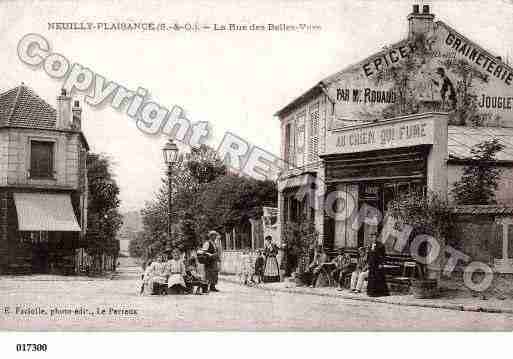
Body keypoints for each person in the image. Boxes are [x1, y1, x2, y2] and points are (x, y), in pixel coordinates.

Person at [366, 232, 390, 297]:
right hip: (372, 264)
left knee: (378, 278)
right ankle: (371, 292)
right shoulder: (370, 245)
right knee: (371, 278)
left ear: (377, 238)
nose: (374, 238)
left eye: (375, 237)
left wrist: (381, 263)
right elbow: (369, 255)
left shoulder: (381, 245)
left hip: (378, 264)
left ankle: (379, 293)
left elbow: (383, 255)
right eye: (372, 237)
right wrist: (368, 262)